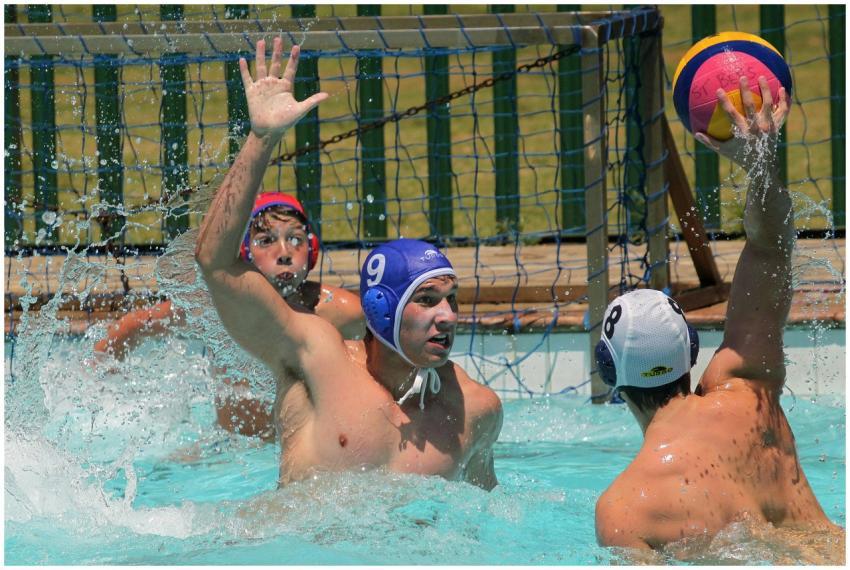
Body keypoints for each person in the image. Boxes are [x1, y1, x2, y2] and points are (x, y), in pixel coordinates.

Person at [194, 37, 502, 489]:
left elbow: (486, 524)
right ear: (381, 307)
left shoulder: (476, 409)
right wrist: (262, 139)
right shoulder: (316, 357)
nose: (448, 316)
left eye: (451, 299)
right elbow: (215, 263)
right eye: (428, 300)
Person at [593, 76, 843, 551]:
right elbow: (771, 248)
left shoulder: (625, 508)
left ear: (608, 372)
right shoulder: (746, 391)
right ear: (691, 350)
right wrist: (760, 167)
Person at [94, 191, 365, 440]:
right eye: (266, 241)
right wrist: (100, 382)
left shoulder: (334, 310)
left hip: (300, 451)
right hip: (227, 451)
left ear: (312, 250)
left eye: (295, 239)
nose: (284, 253)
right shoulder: (215, 306)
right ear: (244, 253)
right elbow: (135, 324)